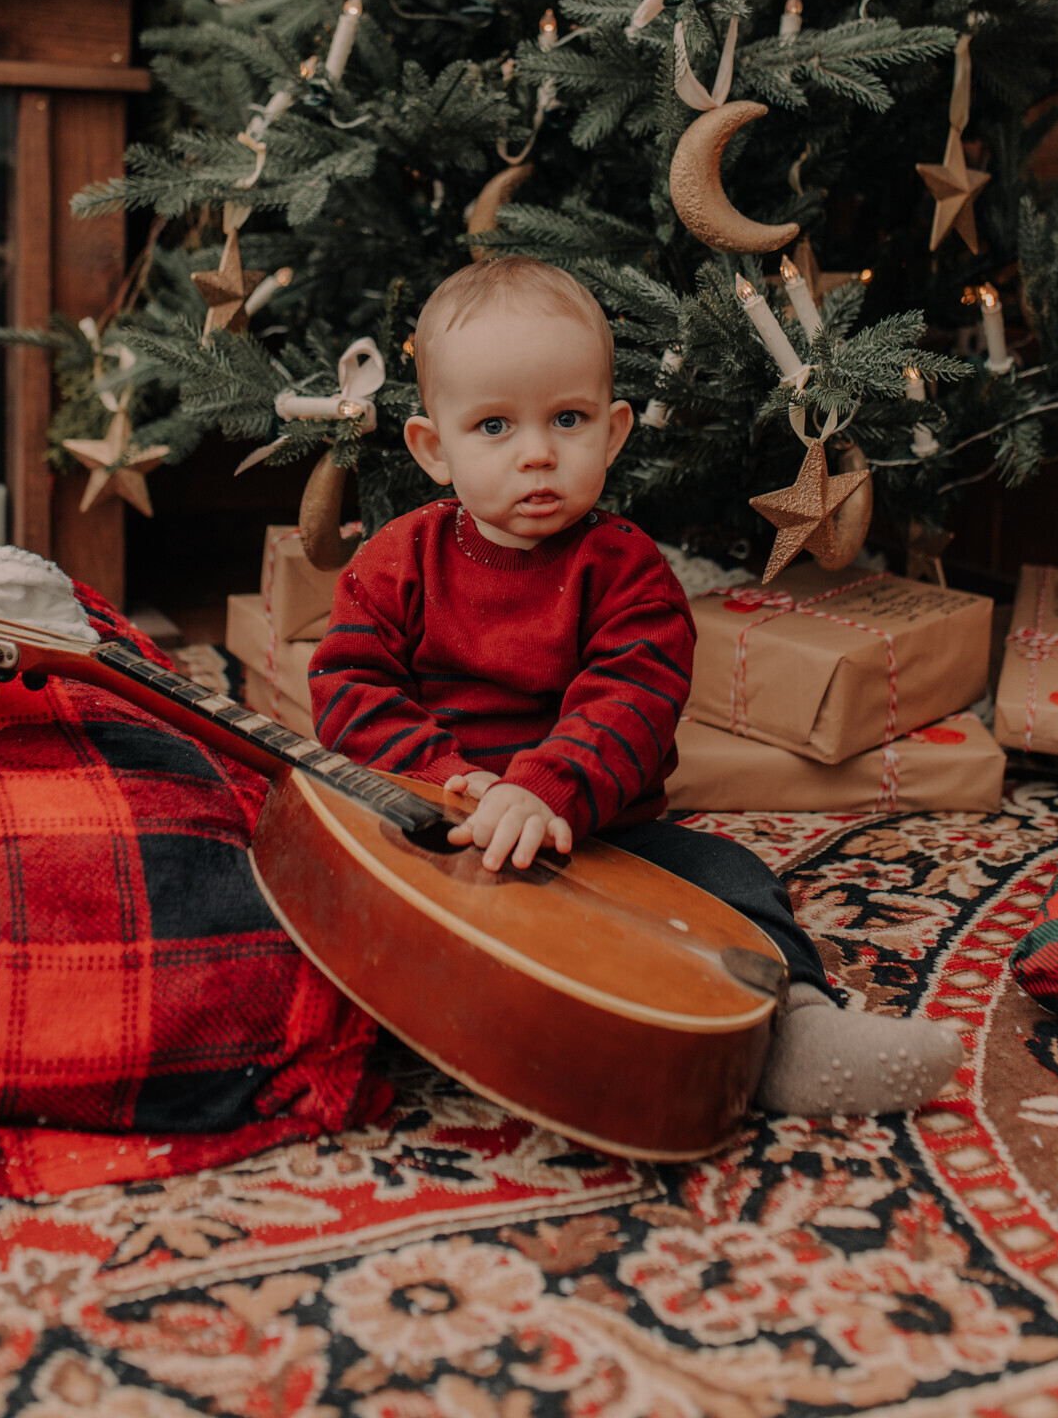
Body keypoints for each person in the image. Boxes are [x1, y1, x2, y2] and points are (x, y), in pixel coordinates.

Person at [308, 256, 961, 1117]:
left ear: (613, 433)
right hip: (434, 822)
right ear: (434, 448)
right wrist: (443, 783)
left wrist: (545, 792)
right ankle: (335, 1028)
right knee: (312, 888)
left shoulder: (626, 573)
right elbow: (349, 685)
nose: (537, 453)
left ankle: (791, 1028)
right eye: (494, 427)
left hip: (601, 832)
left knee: (730, 875)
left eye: (567, 419)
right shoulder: (395, 562)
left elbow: (632, 699)